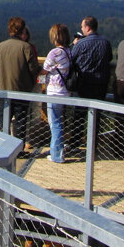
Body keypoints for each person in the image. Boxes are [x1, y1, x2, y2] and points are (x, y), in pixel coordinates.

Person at [0, 16, 41, 148]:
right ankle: (18, 149)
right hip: (21, 90)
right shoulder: (26, 47)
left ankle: (2, 145)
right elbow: (34, 68)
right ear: (22, 30)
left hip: (4, 89)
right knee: (21, 120)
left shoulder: (0, 46)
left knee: (4, 120)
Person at [43, 24, 72, 163]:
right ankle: (58, 150)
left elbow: (45, 68)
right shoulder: (68, 51)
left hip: (54, 91)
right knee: (59, 122)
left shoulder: (54, 53)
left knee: (54, 123)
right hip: (65, 91)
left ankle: (57, 155)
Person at [69, 16, 113, 100]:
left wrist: (74, 45)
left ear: (88, 28)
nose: (81, 28)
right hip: (101, 83)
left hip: (85, 82)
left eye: (82, 26)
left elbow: (71, 59)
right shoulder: (106, 42)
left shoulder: (81, 43)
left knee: (81, 110)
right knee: (97, 109)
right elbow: (109, 58)